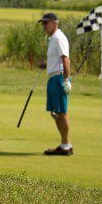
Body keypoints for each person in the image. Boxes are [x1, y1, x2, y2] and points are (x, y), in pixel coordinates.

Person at [39, 12, 73, 156]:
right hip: (53, 78)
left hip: (59, 79)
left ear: (54, 22)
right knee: (56, 112)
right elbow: (57, 60)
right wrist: (46, 65)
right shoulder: (52, 39)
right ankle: (64, 144)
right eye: (43, 24)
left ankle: (66, 145)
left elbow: (65, 60)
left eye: (46, 23)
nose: (44, 26)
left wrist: (66, 79)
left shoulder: (59, 38)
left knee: (61, 112)